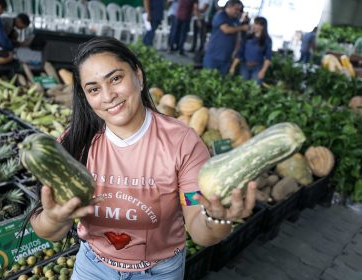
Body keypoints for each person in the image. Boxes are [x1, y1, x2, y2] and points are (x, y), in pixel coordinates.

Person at [29, 36, 257, 279]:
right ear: (85, 96)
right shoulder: (74, 143)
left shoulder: (183, 142)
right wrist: (54, 220)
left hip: (159, 271)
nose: (107, 96)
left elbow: (200, 232)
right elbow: (46, 230)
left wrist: (216, 219)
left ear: (138, 75)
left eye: (116, 79)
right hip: (93, 265)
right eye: (94, 89)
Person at [203, 0, 249, 75]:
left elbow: (237, 37)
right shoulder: (220, 15)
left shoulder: (236, 20)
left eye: (239, 10)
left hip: (226, 57)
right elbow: (226, 29)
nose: (238, 12)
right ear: (229, 7)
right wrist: (242, 28)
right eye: (236, 9)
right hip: (213, 55)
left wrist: (236, 50)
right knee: (208, 77)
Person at [229, 16, 272, 85]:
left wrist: (263, 71)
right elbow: (240, 53)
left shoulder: (267, 40)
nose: (253, 26)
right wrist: (233, 67)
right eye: (254, 23)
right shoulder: (248, 37)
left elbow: (268, 57)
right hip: (245, 66)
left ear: (262, 27)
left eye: (256, 24)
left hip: (258, 67)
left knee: (254, 88)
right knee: (242, 85)